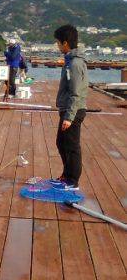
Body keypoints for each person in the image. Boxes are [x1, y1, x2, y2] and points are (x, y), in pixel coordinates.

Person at [52, 24, 88, 191]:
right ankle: (66, 175)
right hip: (67, 110)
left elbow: (75, 93)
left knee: (71, 146)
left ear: (65, 43)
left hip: (73, 111)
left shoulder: (74, 64)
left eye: (58, 43)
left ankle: (72, 181)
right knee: (61, 143)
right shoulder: (70, 60)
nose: (57, 46)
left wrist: (69, 117)